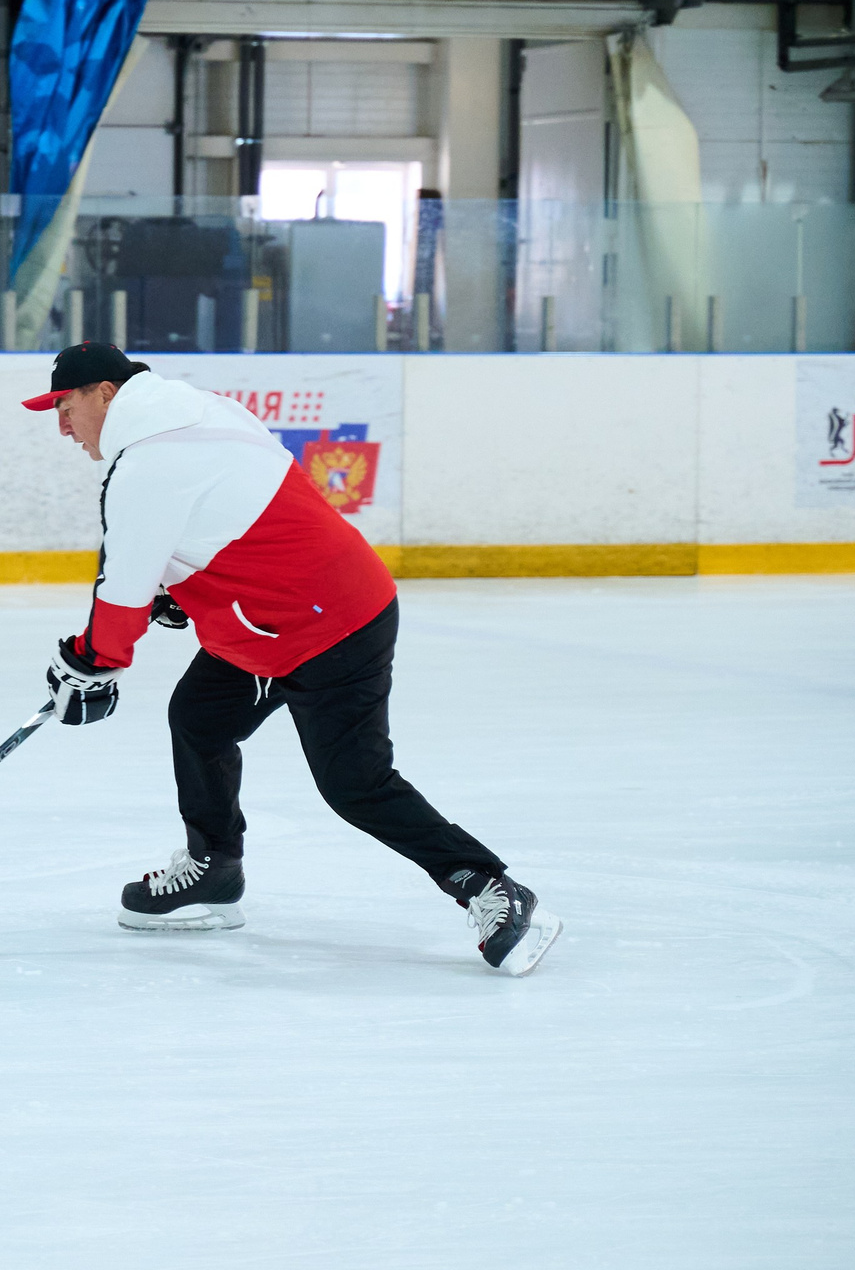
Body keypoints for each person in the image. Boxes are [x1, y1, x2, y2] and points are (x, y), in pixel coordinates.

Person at [28, 341, 561, 975]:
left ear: (106, 395)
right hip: (277, 623)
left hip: (331, 628)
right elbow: (230, 518)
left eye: (65, 405)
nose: (61, 425)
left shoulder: (141, 464)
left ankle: (489, 886)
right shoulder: (206, 411)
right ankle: (215, 869)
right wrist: (179, 592)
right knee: (199, 718)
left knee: (355, 784)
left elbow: (120, 590)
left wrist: (91, 663)